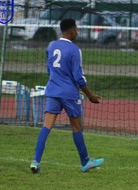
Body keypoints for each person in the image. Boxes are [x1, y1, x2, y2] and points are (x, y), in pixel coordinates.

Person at [29, 18, 104, 174]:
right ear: (71, 31)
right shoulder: (75, 50)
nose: (77, 32)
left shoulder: (51, 46)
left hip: (52, 91)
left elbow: (49, 70)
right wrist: (90, 95)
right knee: (77, 127)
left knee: (46, 126)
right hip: (69, 93)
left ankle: (35, 161)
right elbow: (78, 77)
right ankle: (85, 162)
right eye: (76, 29)